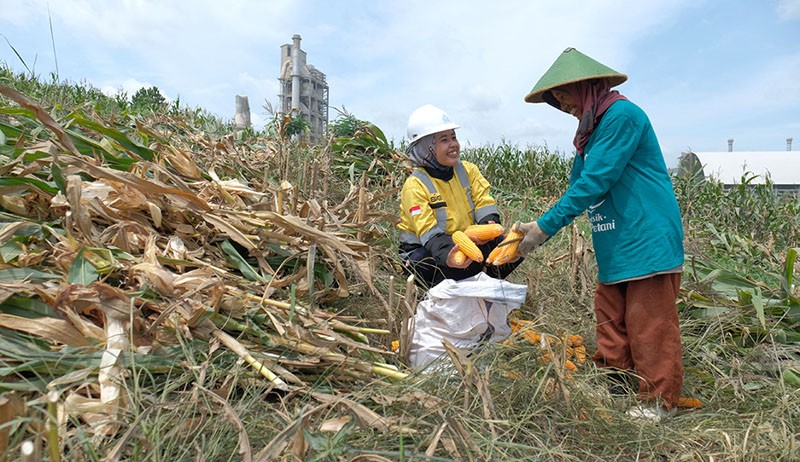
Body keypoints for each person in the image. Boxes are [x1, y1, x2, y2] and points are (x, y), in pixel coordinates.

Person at [517, 48, 685, 421]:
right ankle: (617, 382)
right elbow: (578, 184)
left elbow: (595, 182)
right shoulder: (589, 135)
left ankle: (659, 400)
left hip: (645, 235)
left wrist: (546, 227)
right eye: (557, 103)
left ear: (587, 87)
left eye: (565, 98)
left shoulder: (622, 116)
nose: (565, 108)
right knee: (610, 314)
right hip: (614, 237)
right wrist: (535, 225)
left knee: (649, 322)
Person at [397, 104, 522, 289]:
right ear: (426, 148)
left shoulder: (468, 170)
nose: (453, 144)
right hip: (428, 250)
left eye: (453, 137)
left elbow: (484, 203)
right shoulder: (414, 185)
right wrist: (450, 255)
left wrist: (489, 225)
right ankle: (459, 281)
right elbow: (429, 233)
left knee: (512, 245)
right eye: (444, 140)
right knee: (429, 263)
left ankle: (487, 281)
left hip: (468, 240)